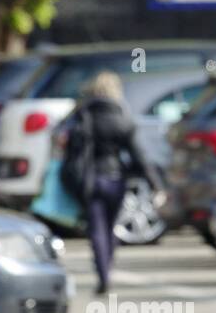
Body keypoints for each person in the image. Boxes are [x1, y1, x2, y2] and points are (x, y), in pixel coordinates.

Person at [59, 71, 163, 294]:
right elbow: (138, 155)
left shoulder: (82, 114)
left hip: (89, 180)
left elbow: (67, 145)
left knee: (96, 228)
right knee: (110, 226)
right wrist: (156, 185)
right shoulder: (122, 118)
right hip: (115, 179)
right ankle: (107, 267)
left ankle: (103, 273)